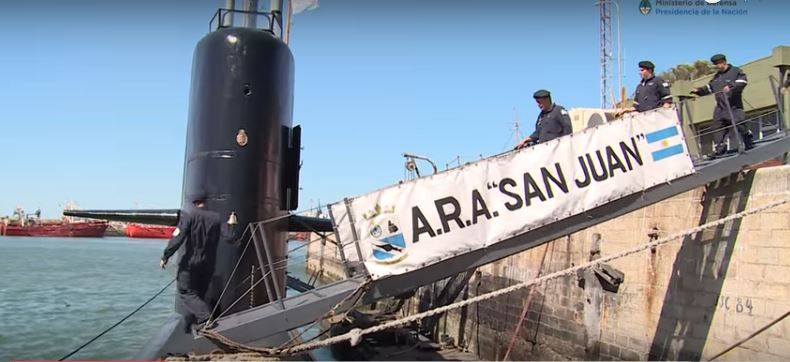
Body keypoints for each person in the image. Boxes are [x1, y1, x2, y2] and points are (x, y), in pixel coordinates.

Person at [160, 194, 238, 330]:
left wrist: (165, 256)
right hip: (208, 264)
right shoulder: (217, 218)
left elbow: (177, 239)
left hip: (190, 262)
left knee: (185, 291)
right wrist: (232, 224)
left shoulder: (188, 216)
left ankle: (205, 318)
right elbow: (230, 238)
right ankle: (202, 322)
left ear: (194, 203)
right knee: (200, 292)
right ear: (205, 202)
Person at [690, 53, 753, 156]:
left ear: (723, 62)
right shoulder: (717, 77)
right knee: (717, 126)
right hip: (720, 106)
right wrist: (698, 91)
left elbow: (742, 81)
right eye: (715, 65)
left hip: (733, 104)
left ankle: (748, 139)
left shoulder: (735, 71)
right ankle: (720, 149)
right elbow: (709, 88)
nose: (716, 66)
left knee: (739, 123)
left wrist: (731, 86)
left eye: (718, 64)